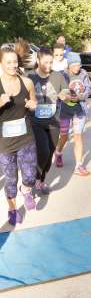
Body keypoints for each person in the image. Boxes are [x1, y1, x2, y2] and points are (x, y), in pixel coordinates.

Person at [0, 46, 38, 225]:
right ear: (1, 63)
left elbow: (34, 100)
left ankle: (27, 190)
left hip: (25, 137)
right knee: (10, 179)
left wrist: (33, 104)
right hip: (5, 143)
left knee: (30, 175)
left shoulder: (27, 82)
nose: (13, 65)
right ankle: (12, 210)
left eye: (15, 61)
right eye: (8, 62)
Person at [28, 48, 68, 195]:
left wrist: (65, 95)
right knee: (43, 151)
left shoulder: (58, 76)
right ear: (38, 61)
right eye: (45, 62)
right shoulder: (30, 77)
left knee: (50, 152)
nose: (49, 65)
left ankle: (41, 181)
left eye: (51, 62)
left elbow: (66, 92)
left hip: (53, 121)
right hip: (35, 121)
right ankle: (35, 178)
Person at [54, 52, 91, 176]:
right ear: (69, 65)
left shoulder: (84, 73)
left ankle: (79, 166)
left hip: (79, 110)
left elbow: (88, 88)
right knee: (64, 136)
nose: (77, 67)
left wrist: (80, 97)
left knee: (78, 136)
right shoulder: (62, 74)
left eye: (79, 64)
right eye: (75, 65)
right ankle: (58, 153)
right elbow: (56, 92)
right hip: (64, 111)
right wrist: (64, 97)